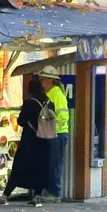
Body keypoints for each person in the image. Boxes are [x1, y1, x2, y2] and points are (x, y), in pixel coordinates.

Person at [2, 78, 54, 204]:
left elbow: (20, 121)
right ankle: (37, 196)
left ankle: (5, 195)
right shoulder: (49, 103)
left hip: (29, 141)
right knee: (40, 169)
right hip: (45, 140)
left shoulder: (29, 103)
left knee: (19, 167)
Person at [40, 68, 70, 200]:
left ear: (50, 80)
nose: (41, 81)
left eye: (44, 79)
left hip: (57, 134)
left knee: (54, 164)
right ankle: (51, 191)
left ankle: (55, 193)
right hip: (54, 134)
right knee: (51, 163)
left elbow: (63, 116)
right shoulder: (52, 93)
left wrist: (51, 126)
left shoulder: (56, 94)